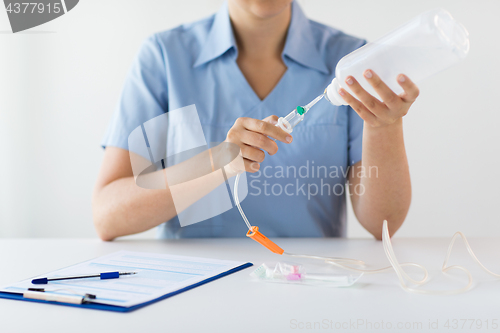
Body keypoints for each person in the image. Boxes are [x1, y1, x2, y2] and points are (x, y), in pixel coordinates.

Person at [92, 0, 418, 241]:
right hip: (192, 292)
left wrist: (385, 125)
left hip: (310, 285)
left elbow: (383, 224)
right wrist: (217, 162)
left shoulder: (351, 62)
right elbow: (108, 216)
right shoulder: (164, 57)